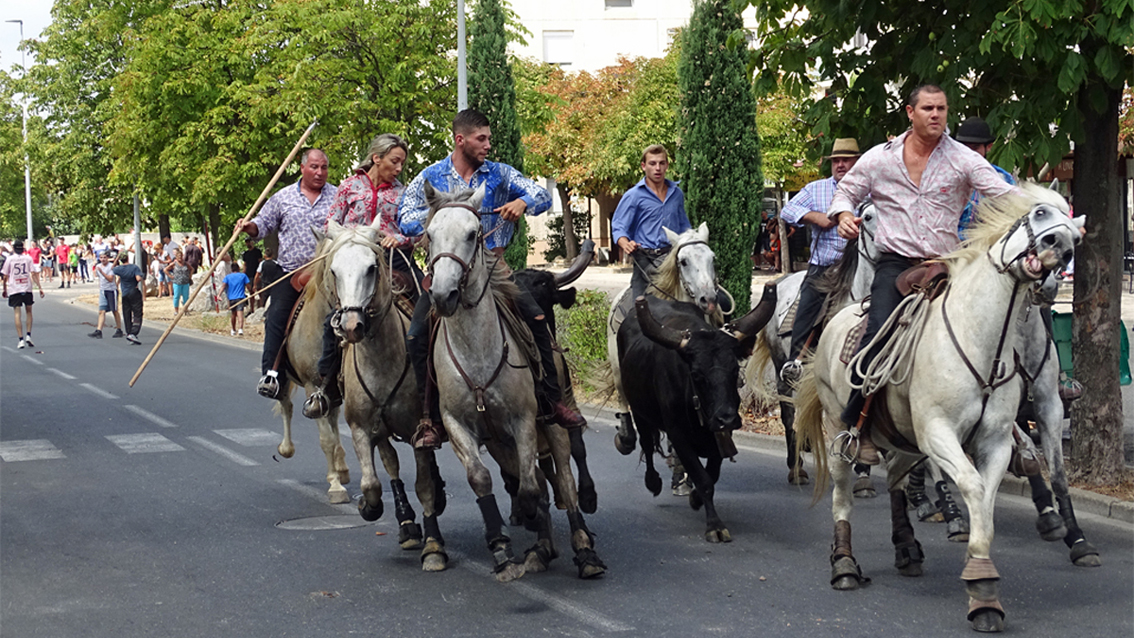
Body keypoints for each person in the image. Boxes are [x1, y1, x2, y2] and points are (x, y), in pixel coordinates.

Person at [828, 84, 1019, 464]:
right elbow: (846, 191)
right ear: (910, 113)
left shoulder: (963, 159)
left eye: (942, 109)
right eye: (928, 108)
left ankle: (1009, 427)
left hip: (948, 264)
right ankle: (858, 427)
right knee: (876, 336)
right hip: (897, 264)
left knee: (997, 332)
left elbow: (1001, 193)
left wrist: (1046, 213)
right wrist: (844, 215)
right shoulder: (880, 159)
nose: (936, 115)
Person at [399, 108, 585, 450]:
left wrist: (522, 202)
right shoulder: (431, 177)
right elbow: (405, 215)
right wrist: (442, 217)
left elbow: (541, 194)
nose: (487, 144)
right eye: (480, 138)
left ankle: (550, 401)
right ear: (460, 140)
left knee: (537, 318)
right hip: (445, 270)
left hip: (494, 269)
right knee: (415, 337)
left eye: (488, 138)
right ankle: (430, 418)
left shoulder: (500, 174)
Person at [304, 133, 418, 419]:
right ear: (376, 158)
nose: (399, 168)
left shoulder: (403, 194)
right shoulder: (349, 187)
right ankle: (326, 387)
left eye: (402, 162)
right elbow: (331, 223)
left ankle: (428, 384)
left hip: (394, 262)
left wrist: (398, 238)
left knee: (424, 306)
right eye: (395, 161)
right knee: (336, 314)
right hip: (353, 264)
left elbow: (416, 230)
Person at [235, 148, 337, 399]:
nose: (319, 172)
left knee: (352, 315)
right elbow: (263, 224)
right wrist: (249, 227)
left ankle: (346, 376)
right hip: (291, 273)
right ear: (302, 168)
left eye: (324, 167)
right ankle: (272, 374)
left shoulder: (338, 196)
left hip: (328, 272)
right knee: (276, 316)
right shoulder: (283, 197)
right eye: (314, 167)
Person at [779, 138, 862, 382]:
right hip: (824, 267)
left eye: (846, 160)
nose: (840, 165)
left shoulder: (869, 190)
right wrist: (816, 217)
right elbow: (787, 211)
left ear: (857, 162)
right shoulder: (816, 189)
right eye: (836, 160)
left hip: (860, 266)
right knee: (806, 309)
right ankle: (796, 364)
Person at [611, 144, 692, 298]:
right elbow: (619, 227)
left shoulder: (677, 194)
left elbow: (684, 227)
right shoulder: (633, 195)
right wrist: (625, 243)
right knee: (639, 309)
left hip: (672, 258)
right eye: (652, 163)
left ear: (667, 165)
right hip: (645, 259)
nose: (657, 168)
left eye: (662, 163)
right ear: (643, 166)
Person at [954, 117, 1017, 239]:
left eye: (975, 148)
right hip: (948, 249)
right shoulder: (946, 175)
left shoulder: (1003, 179)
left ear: (989, 147)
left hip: (986, 249)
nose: (969, 153)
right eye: (964, 147)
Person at [1, 239, 45, 349]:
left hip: (14, 288)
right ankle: (28, 335)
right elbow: (33, 273)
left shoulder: (10, 259)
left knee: (17, 313)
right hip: (27, 287)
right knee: (29, 311)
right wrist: (40, 287)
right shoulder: (28, 258)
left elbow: (5, 275)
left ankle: (20, 339)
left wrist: (4, 288)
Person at [89, 250, 125, 339]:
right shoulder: (98, 266)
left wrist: (102, 272)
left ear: (108, 258)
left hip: (111, 290)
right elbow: (99, 278)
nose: (103, 259)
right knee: (101, 311)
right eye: (101, 257)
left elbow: (110, 279)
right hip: (103, 290)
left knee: (114, 310)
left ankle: (119, 329)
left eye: (105, 257)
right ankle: (99, 330)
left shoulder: (111, 267)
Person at [112, 252, 145, 345]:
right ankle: (134, 332)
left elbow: (112, 269)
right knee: (137, 313)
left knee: (127, 313)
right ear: (128, 258)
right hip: (134, 291)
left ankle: (129, 332)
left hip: (125, 293)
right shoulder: (134, 267)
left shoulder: (119, 269)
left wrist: (116, 259)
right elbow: (138, 278)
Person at [224, 264, 251, 336]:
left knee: (233, 314)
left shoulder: (228, 277)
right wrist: (251, 291)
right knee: (240, 313)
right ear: (239, 268)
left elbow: (223, 286)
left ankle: (233, 329)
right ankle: (240, 329)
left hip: (231, 298)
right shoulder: (243, 276)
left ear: (231, 269)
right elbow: (248, 286)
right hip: (240, 297)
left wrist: (219, 295)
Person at [165, 247, 193, 313]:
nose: (180, 257)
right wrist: (170, 276)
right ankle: (176, 310)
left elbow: (192, 269)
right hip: (177, 282)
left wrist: (189, 276)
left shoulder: (185, 264)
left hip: (185, 282)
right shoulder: (174, 264)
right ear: (176, 257)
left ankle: (185, 310)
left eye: (181, 256)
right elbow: (165, 269)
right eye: (178, 256)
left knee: (186, 297)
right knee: (176, 297)